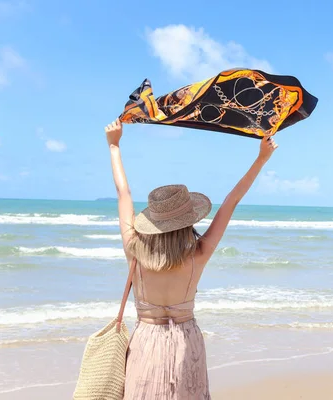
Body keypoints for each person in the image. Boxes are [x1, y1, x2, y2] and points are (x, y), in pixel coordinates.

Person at [104, 118, 278, 399]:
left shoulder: (133, 248)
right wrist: (261, 159)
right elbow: (231, 200)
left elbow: (123, 193)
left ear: (152, 221)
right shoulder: (199, 253)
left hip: (146, 341)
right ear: (188, 221)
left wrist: (114, 146)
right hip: (187, 340)